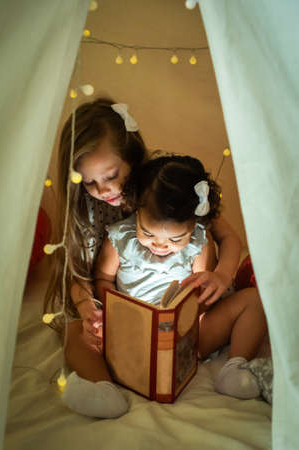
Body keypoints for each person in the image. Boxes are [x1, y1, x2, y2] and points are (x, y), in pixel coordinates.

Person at [95, 155, 267, 401]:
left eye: (175, 240)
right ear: (136, 209)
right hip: (134, 332)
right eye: (147, 233)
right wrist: (115, 313)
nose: (160, 245)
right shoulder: (120, 240)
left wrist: (212, 285)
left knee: (255, 300)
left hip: (189, 334)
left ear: (194, 225)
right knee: (91, 336)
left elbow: (202, 297)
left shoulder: (200, 242)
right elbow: (102, 280)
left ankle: (235, 367)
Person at [44, 97, 149, 418]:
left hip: (150, 297)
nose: (103, 189)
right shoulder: (83, 210)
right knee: (77, 331)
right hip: (106, 301)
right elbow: (77, 275)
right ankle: (103, 389)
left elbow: (214, 227)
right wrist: (88, 307)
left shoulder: (157, 189)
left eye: (111, 174)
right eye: (89, 181)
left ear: (131, 156)